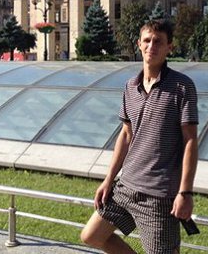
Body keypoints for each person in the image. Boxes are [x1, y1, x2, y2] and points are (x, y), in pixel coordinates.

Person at [81, 19, 199, 253]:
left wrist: (185, 193)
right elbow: (126, 135)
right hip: (126, 187)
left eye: (158, 42)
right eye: (147, 40)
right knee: (91, 236)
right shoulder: (130, 86)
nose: (151, 46)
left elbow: (190, 140)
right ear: (139, 44)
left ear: (169, 47)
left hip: (159, 196)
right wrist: (108, 180)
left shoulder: (182, 86)